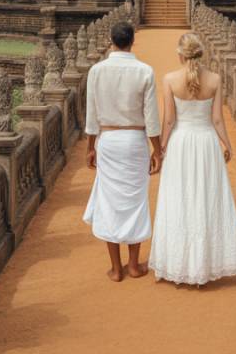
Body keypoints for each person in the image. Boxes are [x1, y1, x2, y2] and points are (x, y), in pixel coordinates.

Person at [148, 32, 236, 285]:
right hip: (206, 143)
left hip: (181, 143)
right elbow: (217, 119)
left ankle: (177, 262)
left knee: (179, 198)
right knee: (207, 198)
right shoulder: (214, 79)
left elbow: (169, 120)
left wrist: (160, 147)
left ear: (180, 54)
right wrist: (227, 144)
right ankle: (205, 264)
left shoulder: (170, 79)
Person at [83, 21, 162, 282]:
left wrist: (90, 148)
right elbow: (152, 118)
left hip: (108, 140)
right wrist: (157, 151)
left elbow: (92, 115)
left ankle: (116, 269)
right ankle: (134, 265)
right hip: (135, 141)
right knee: (136, 201)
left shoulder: (97, 71)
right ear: (132, 41)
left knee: (110, 203)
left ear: (111, 40)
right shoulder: (145, 71)